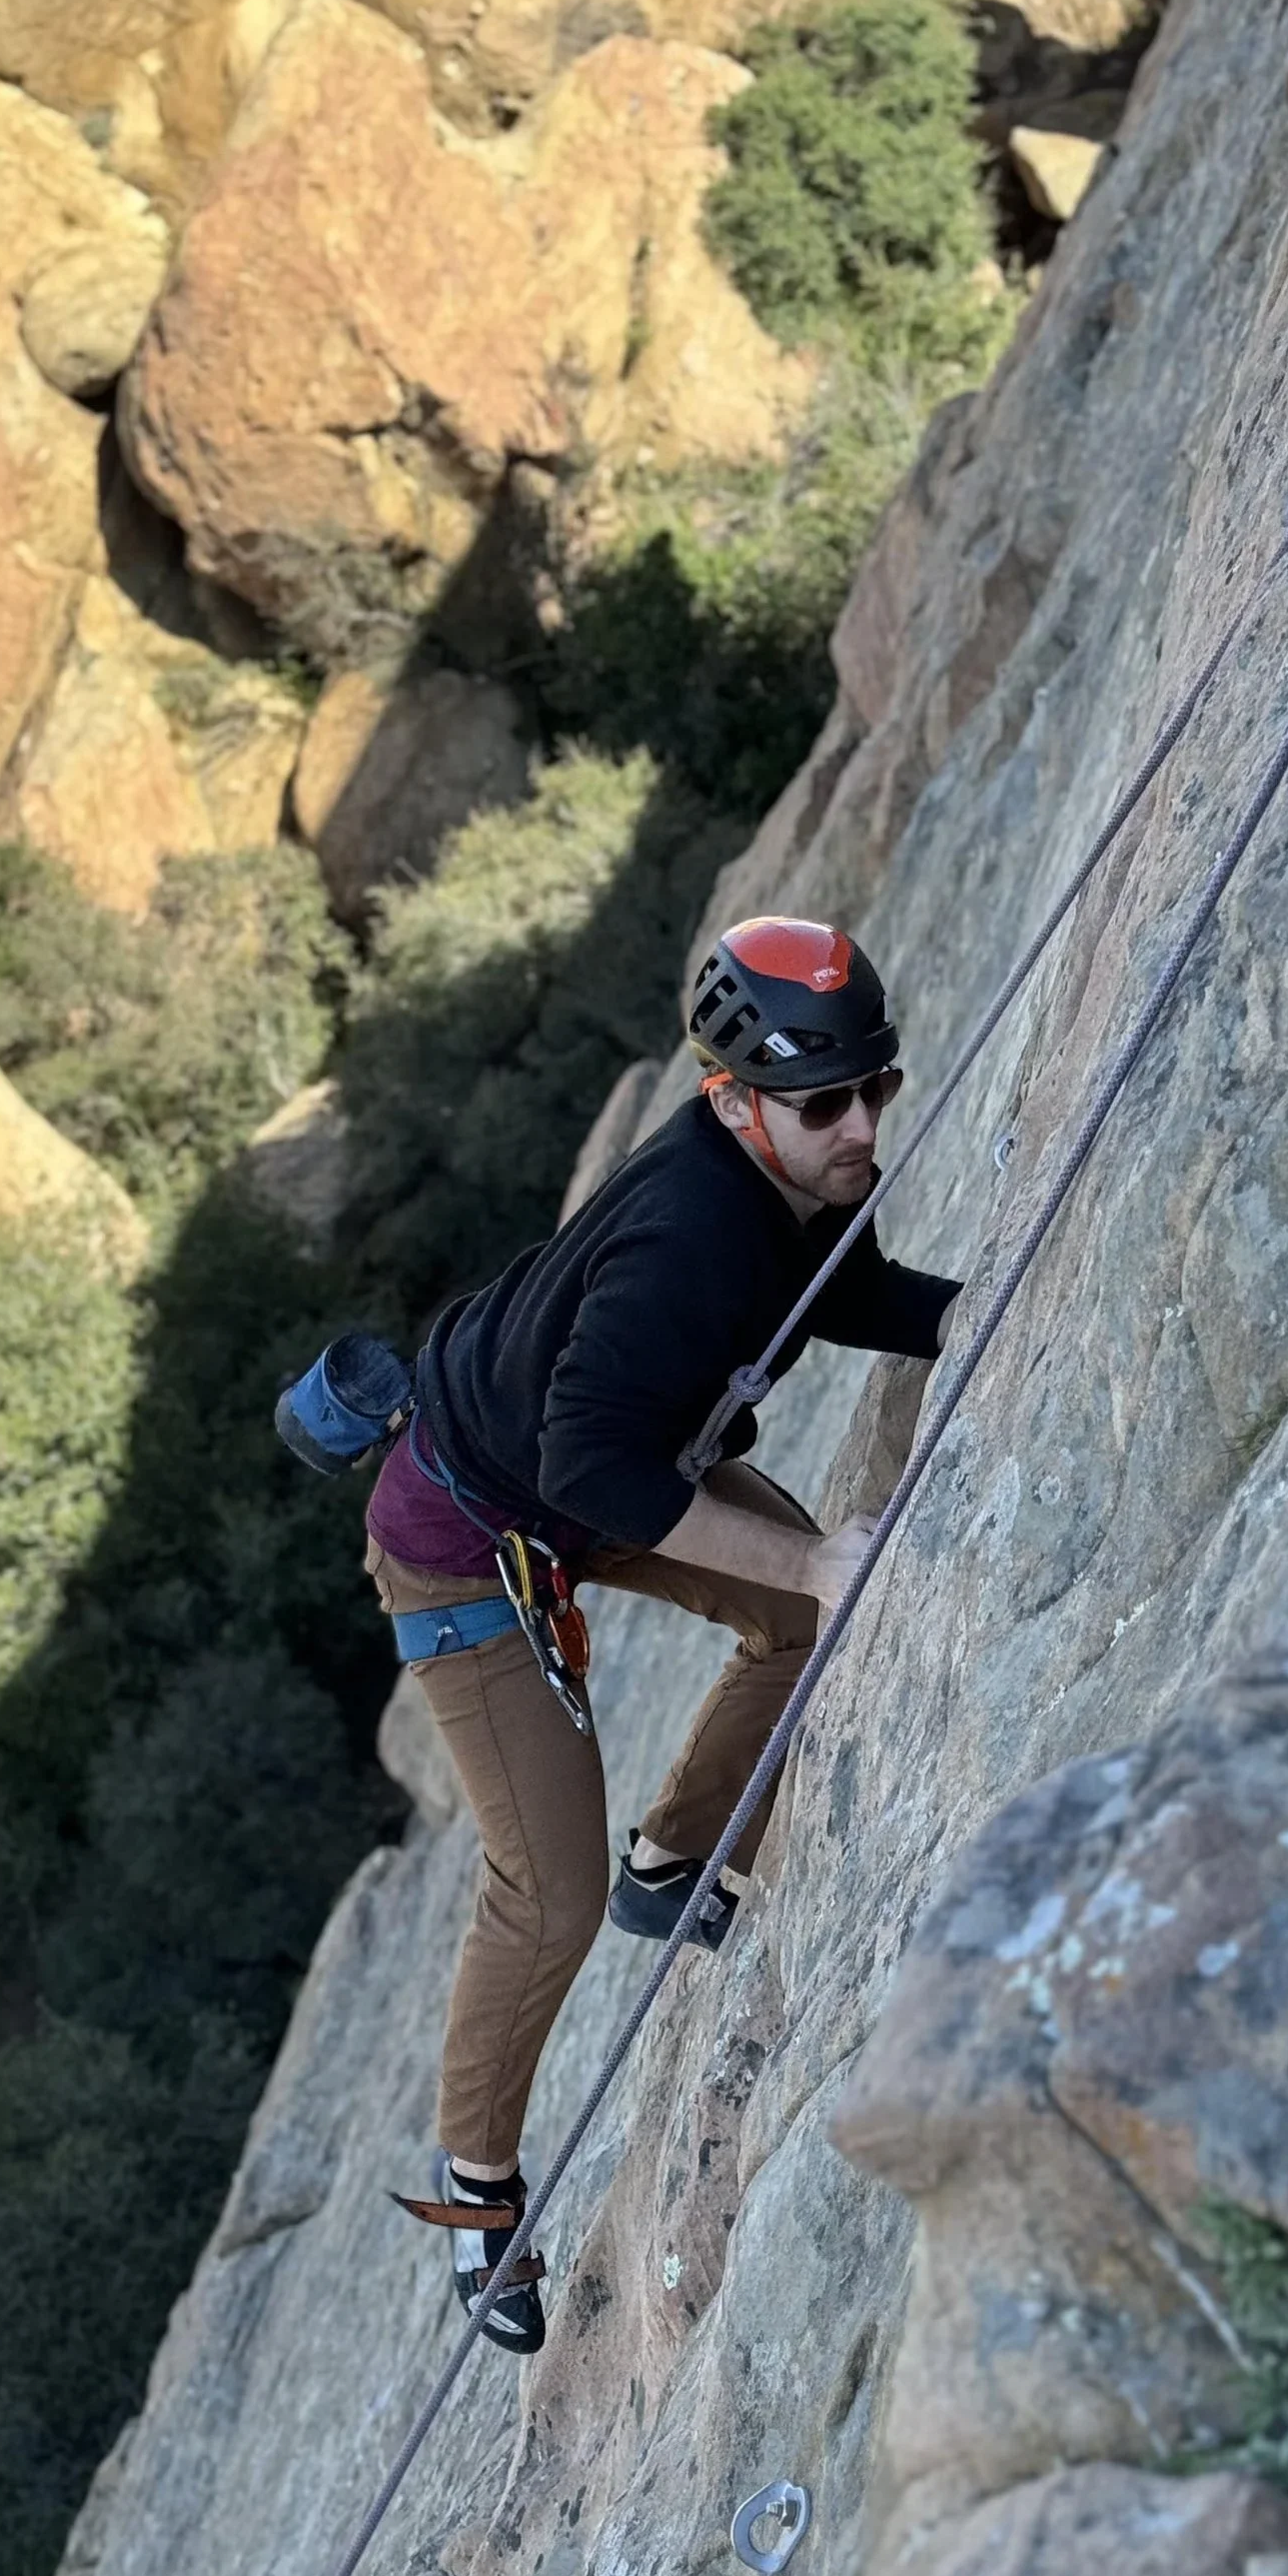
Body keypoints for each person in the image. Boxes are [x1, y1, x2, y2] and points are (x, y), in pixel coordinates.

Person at [364, 917, 960, 2352]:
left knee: (797, 1623)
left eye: (876, 1086)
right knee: (543, 1893)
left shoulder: (802, 1170)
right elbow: (590, 1474)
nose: (863, 1125)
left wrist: (963, 1311)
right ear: (735, 1099)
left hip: (603, 1468)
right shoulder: (694, 1231)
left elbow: (846, 1293)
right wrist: (813, 1551)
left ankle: (677, 1855)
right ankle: (476, 2193)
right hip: (472, 1539)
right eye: (828, 1106)